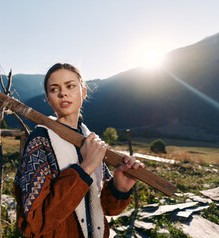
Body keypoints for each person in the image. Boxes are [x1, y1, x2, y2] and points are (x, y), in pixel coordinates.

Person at [13, 63, 144, 238]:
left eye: (70, 86)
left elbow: (105, 208)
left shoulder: (92, 141)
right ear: (48, 99)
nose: (63, 93)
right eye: (54, 89)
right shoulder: (40, 141)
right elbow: (37, 220)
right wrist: (85, 168)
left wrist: (119, 188)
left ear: (83, 92)